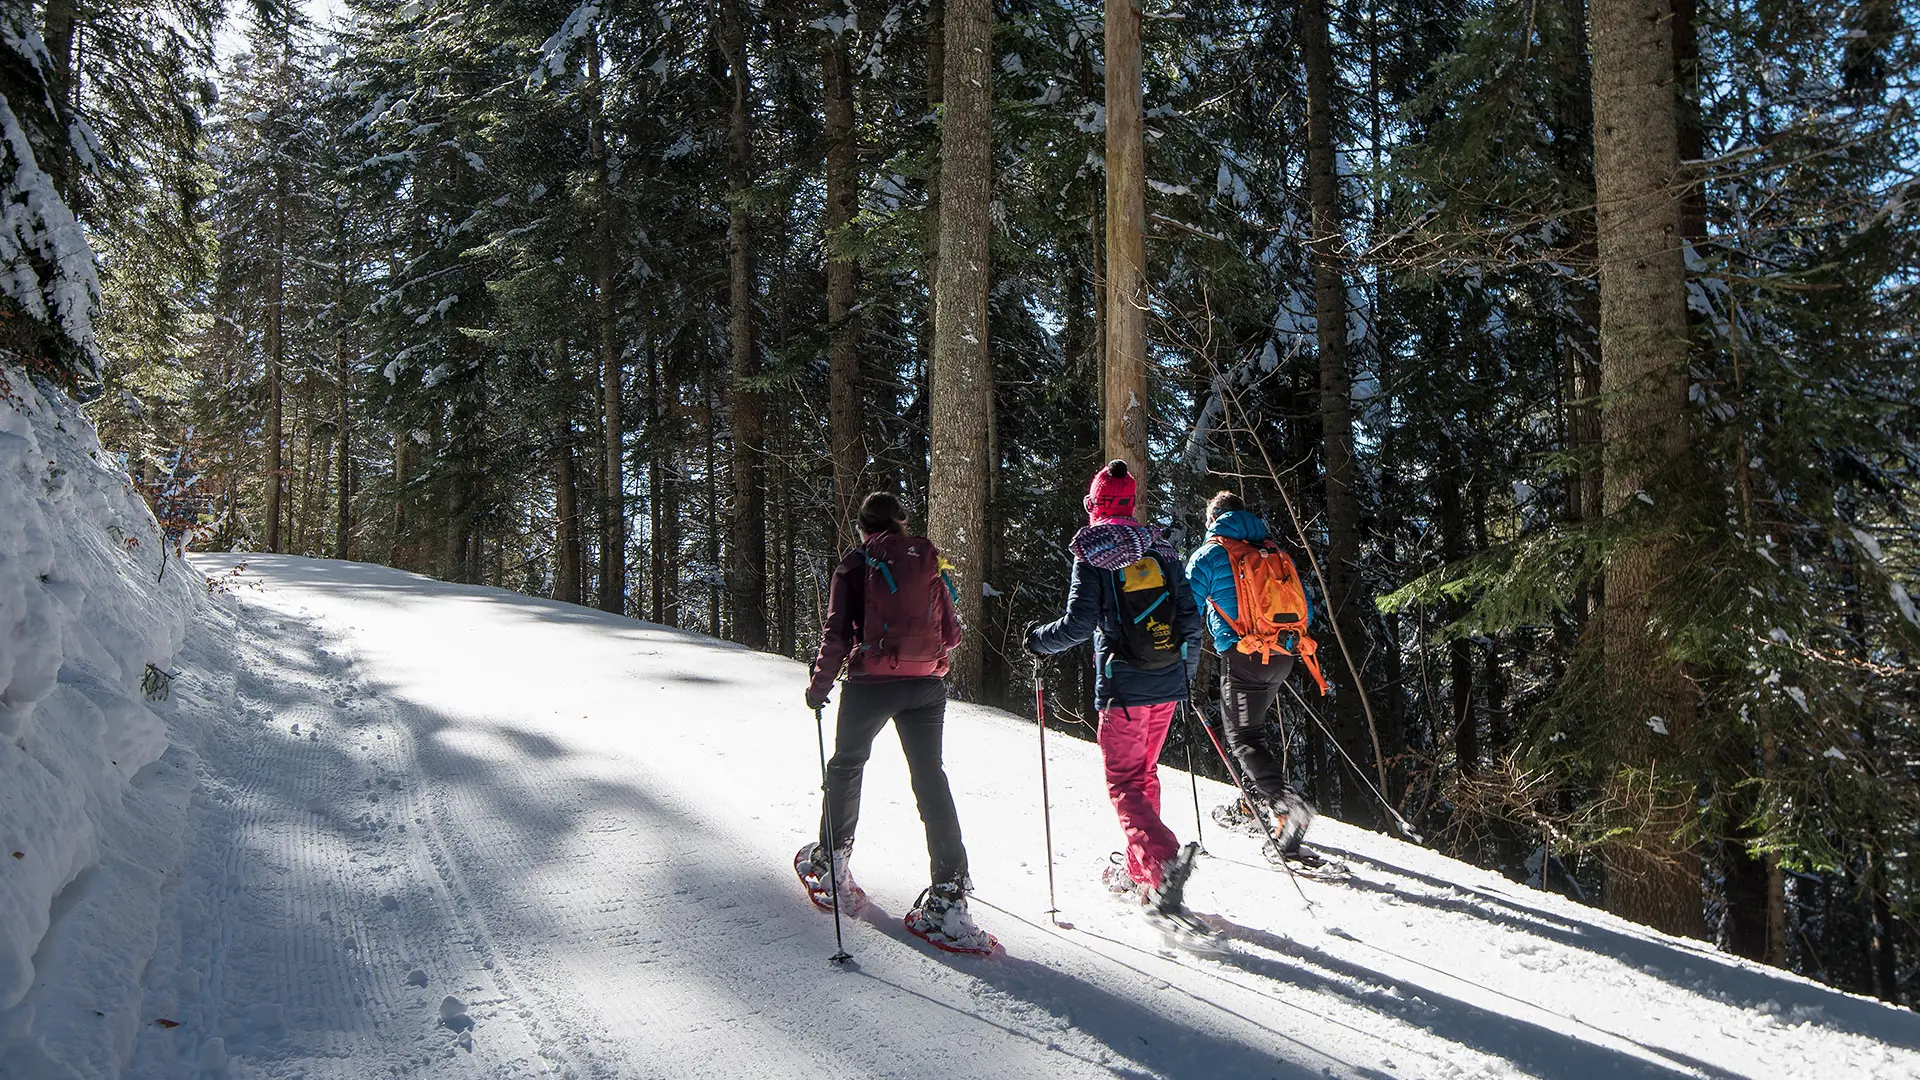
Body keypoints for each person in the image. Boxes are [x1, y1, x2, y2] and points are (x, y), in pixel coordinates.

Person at [801, 491, 994, 952]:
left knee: (847, 764)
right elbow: (952, 630)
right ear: (902, 524)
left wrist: (819, 686)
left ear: (863, 527)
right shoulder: (927, 558)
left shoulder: (855, 562)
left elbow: (835, 632)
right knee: (931, 779)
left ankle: (833, 862)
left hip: (872, 685)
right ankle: (950, 898)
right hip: (927, 685)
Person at [1026, 461, 1207, 920]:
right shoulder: (1161, 549)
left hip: (1123, 688)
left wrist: (1037, 640)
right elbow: (1190, 618)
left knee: (1126, 783)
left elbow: (1079, 624)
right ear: (1131, 503)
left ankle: (1163, 863)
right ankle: (1141, 871)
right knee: (1144, 776)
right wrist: (1184, 673)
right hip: (1166, 683)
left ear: (1094, 504)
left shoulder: (1092, 551)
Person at [1185, 490, 1333, 872]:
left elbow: (1184, 607)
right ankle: (1255, 803)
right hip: (1283, 657)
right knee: (1254, 733)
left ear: (1213, 519)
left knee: (1243, 738)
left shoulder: (1211, 554)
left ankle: (1285, 805)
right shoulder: (1273, 551)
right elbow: (1307, 607)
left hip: (1243, 657)